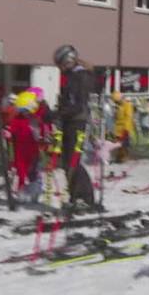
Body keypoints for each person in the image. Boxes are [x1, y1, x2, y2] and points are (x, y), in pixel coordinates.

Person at [53, 44, 97, 206]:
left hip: (76, 121)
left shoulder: (80, 77)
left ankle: (84, 197)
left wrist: (57, 114)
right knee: (67, 161)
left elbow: (77, 105)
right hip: (70, 121)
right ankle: (75, 195)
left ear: (69, 60)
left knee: (73, 161)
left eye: (61, 64)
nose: (61, 68)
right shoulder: (73, 76)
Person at [112, 91, 134, 163]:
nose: (116, 103)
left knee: (123, 145)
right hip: (118, 130)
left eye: (117, 101)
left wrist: (126, 130)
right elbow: (116, 118)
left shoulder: (127, 105)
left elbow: (128, 118)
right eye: (115, 102)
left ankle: (123, 158)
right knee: (118, 145)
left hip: (124, 129)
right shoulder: (119, 107)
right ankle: (119, 157)